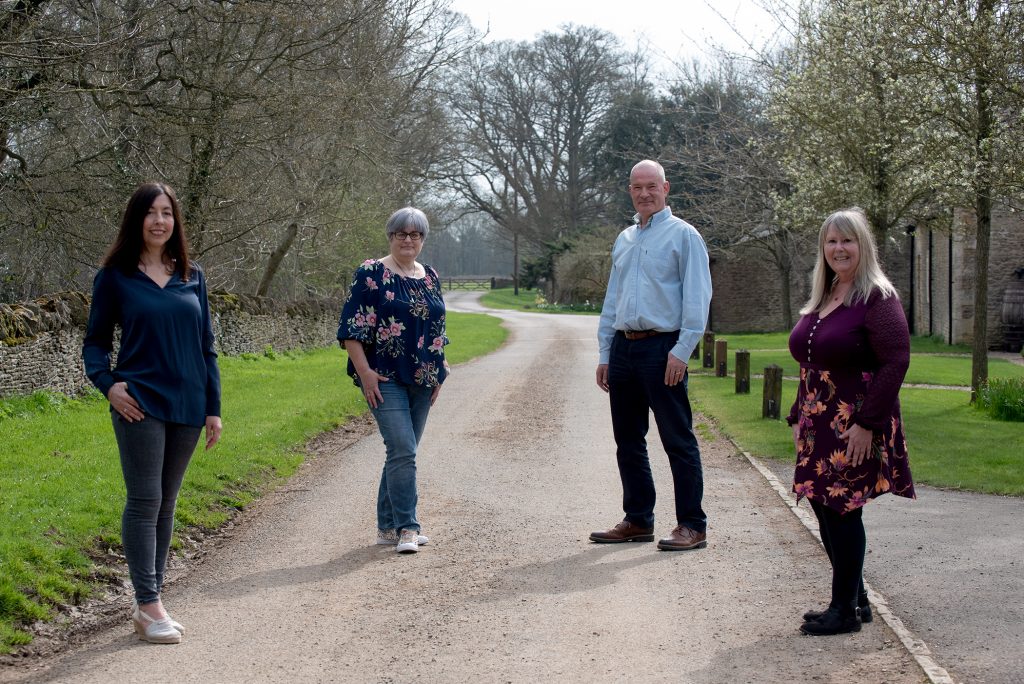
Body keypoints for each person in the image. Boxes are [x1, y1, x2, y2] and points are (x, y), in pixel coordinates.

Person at [83, 182, 222, 644]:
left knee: (166, 502)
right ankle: (149, 603)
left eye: (167, 213)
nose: (160, 221)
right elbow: (95, 345)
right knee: (144, 501)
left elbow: (206, 349)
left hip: (187, 403)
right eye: (150, 213)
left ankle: (151, 601)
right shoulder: (116, 276)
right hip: (139, 401)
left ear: (175, 221)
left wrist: (213, 409)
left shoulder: (192, 275)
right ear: (136, 219)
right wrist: (109, 386)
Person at [787, 207, 915, 636]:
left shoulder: (877, 297)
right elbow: (811, 362)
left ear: (863, 246)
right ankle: (855, 599)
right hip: (818, 421)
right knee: (825, 508)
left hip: (853, 422)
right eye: (831, 241)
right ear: (822, 249)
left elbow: (896, 361)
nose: (839, 249)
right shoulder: (825, 295)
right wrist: (796, 415)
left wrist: (867, 423)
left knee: (842, 511)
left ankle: (842, 611)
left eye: (847, 240)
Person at [591, 159, 712, 551]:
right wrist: (606, 351)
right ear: (630, 191)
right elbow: (614, 299)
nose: (644, 193)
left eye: (651, 186)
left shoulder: (684, 236)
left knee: (677, 439)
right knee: (628, 439)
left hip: (663, 348)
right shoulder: (624, 239)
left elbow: (698, 297)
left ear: (666, 188)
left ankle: (692, 525)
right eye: (637, 187)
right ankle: (638, 519)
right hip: (625, 348)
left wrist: (682, 351)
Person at [337, 207, 449, 554]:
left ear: (423, 240)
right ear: (391, 236)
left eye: (415, 235)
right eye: (401, 233)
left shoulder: (429, 276)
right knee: (402, 448)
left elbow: (436, 328)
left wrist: (440, 369)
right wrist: (365, 373)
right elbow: (351, 329)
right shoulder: (371, 273)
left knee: (403, 452)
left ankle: (386, 527)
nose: (408, 240)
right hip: (384, 377)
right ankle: (407, 527)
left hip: (423, 378)